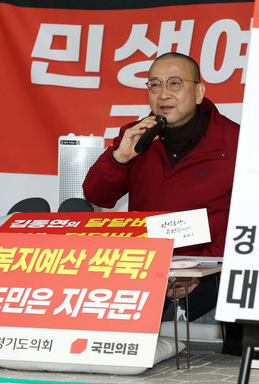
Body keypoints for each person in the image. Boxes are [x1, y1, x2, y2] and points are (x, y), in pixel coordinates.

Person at [82, 52, 239, 326]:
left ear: (199, 92)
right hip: (145, 278)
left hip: (212, 281)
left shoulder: (234, 140)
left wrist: (199, 270)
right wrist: (120, 158)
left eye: (174, 83)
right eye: (154, 85)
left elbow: (248, 220)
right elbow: (97, 196)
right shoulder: (137, 135)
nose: (163, 93)